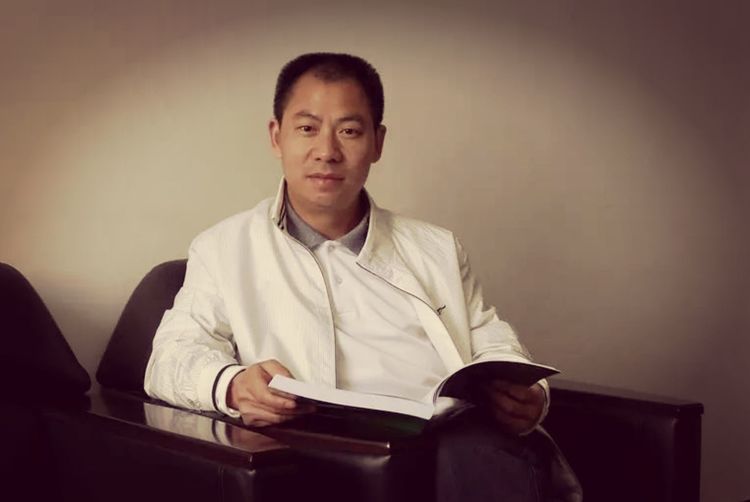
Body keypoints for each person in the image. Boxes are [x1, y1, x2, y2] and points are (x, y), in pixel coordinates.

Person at [144, 52, 579, 502]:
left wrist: (528, 394)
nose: (327, 152)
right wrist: (232, 385)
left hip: (449, 452)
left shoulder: (437, 248)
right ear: (276, 136)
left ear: (377, 142)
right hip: (312, 459)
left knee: (480, 451)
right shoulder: (223, 248)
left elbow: (491, 341)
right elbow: (170, 359)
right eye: (307, 128)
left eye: (349, 131)